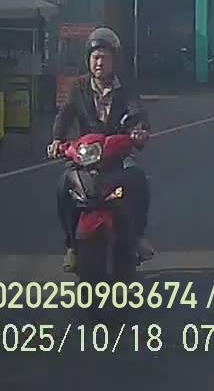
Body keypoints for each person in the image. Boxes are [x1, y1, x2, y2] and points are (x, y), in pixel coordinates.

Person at [48, 28, 153, 272]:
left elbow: (137, 112)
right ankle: (71, 246)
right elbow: (65, 116)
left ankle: (138, 236)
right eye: (95, 57)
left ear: (114, 61)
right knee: (63, 187)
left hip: (118, 154)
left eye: (104, 57)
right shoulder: (79, 87)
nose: (99, 63)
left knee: (139, 180)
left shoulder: (125, 87)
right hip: (86, 156)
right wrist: (56, 140)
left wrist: (139, 131)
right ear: (88, 60)